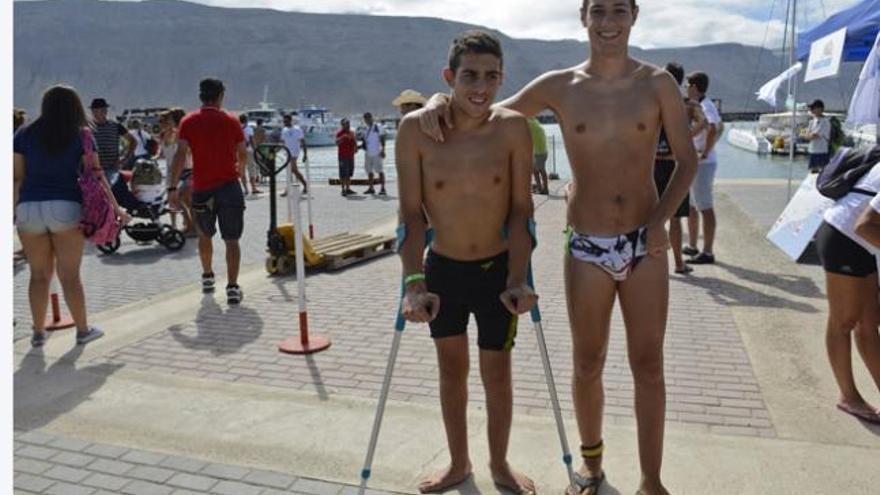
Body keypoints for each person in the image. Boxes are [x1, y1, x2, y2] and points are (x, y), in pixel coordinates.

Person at [417, 2, 698, 493]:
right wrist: (441, 103)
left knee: (648, 365)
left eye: (618, 10)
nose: (608, 21)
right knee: (587, 363)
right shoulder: (559, 86)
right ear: (583, 16)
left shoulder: (657, 85)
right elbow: (485, 111)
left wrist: (658, 224)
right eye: (598, 11)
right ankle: (591, 464)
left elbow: (687, 161)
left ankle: (652, 480)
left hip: (643, 244)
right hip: (587, 244)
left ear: (634, 15)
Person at [398, 30, 538, 494]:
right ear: (448, 77)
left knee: (497, 373)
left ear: (502, 79)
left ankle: (499, 465)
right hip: (443, 271)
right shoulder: (415, 130)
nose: (481, 86)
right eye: (470, 76)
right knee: (451, 371)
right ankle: (459, 464)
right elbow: (411, 218)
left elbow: (521, 212)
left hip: (498, 273)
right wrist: (413, 283)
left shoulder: (513, 128)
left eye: (492, 77)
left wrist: (518, 277)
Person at [13, 85, 126, 346]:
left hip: (29, 209)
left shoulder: (24, 133)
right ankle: (83, 330)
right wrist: (116, 206)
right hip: (66, 207)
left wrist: (14, 210)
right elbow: (96, 174)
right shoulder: (83, 135)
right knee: (69, 275)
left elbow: (17, 176)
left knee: (39, 275)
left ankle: (38, 333)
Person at [168, 78, 248, 305]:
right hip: (229, 187)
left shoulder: (188, 121)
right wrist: (240, 170)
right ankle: (232, 287)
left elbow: (180, 155)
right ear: (221, 95)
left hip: (202, 188)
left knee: (205, 234)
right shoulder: (231, 121)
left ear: (201, 96)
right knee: (232, 239)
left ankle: (207, 276)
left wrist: (172, 187)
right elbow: (243, 153)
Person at [816, 156, 880, 425]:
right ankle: (848, 396)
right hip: (843, 236)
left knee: (869, 324)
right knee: (844, 321)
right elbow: (863, 225)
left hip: (866, 243)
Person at [654, 62, 702, 275]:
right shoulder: (688, 105)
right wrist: (683, 139)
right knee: (674, 218)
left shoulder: (652, 102)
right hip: (675, 163)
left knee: (649, 215)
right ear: (681, 81)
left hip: (653, 162)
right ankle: (678, 263)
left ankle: (650, 262)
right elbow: (706, 123)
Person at [683, 71, 721, 265]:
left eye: (688, 85)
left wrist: (705, 152)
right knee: (691, 205)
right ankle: (692, 245)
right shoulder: (698, 106)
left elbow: (714, 128)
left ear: (695, 87)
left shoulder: (706, 106)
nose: (686, 89)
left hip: (703, 163)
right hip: (694, 161)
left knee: (705, 206)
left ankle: (708, 251)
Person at [89, 98, 137, 208]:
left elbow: (133, 141)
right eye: (95, 111)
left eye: (100, 111)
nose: (97, 114)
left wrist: (124, 158)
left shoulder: (115, 126)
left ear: (105, 111)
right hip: (94, 170)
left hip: (111, 168)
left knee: (112, 196)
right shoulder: (88, 128)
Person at [157, 108, 193, 234]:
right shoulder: (162, 135)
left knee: (180, 199)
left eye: (165, 121)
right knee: (175, 200)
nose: (162, 124)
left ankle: (190, 225)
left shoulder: (180, 134)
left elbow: (185, 152)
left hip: (185, 170)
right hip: (171, 172)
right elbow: (162, 153)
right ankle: (179, 225)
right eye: (161, 121)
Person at [280, 114, 308, 196]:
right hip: (287, 153)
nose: (284, 122)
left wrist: (305, 154)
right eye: (284, 121)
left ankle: (304, 185)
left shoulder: (297, 129)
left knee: (293, 170)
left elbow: (303, 141)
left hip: (295, 152)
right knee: (291, 171)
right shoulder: (284, 130)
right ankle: (290, 188)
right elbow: (282, 142)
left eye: (286, 121)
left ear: (290, 120)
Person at [361, 112, 387, 195]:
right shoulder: (365, 129)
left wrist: (383, 150)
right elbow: (365, 142)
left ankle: (383, 188)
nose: (367, 120)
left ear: (371, 117)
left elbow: (382, 138)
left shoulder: (378, 126)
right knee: (369, 171)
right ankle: (371, 188)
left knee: (380, 170)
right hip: (368, 153)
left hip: (376, 152)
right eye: (365, 118)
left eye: (368, 118)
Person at [238, 113, 262, 195]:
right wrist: (256, 151)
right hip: (249, 151)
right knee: (251, 169)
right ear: (246, 120)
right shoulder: (249, 129)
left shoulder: (237, 128)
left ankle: (245, 189)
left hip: (240, 151)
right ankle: (253, 188)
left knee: (242, 171)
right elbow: (251, 140)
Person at [806, 99, 832, 173]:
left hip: (821, 152)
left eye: (813, 108)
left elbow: (816, 135)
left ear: (820, 109)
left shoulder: (825, 122)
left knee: (822, 172)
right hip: (812, 151)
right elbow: (807, 136)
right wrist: (809, 135)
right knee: (812, 172)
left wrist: (810, 135)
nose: (811, 110)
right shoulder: (812, 121)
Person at [527, 117, 549, 195]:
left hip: (540, 152)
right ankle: (540, 188)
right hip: (540, 151)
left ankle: (545, 189)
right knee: (535, 170)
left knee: (540, 170)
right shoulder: (535, 121)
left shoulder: (528, 123)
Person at [336, 118, 358, 196]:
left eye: (348, 123)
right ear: (342, 125)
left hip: (350, 155)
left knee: (349, 172)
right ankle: (343, 189)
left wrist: (356, 147)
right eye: (345, 124)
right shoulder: (339, 133)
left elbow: (354, 141)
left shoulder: (351, 132)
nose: (347, 125)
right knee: (342, 173)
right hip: (342, 156)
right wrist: (343, 137)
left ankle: (348, 188)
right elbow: (337, 142)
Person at [252, 119, 268, 183]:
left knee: (256, 163)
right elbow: (264, 139)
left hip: (255, 147)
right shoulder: (263, 130)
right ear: (261, 123)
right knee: (263, 162)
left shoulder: (254, 130)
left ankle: (257, 176)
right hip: (263, 147)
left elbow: (253, 138)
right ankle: (262, 177)